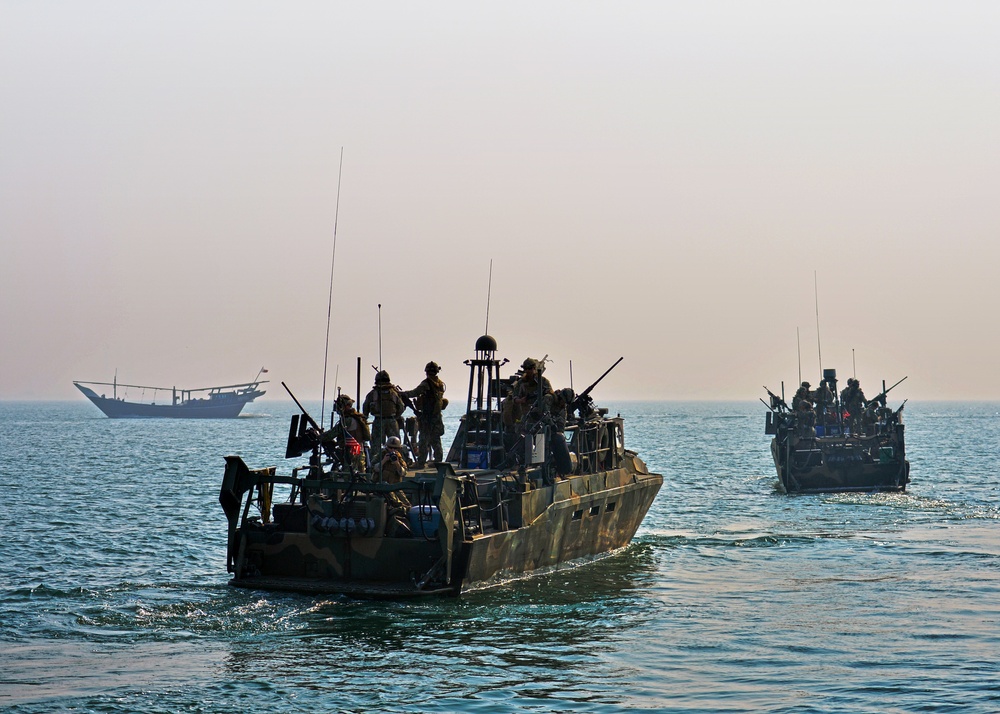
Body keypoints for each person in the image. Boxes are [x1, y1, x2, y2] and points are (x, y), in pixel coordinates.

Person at [403, 361, 447, 468]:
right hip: (436, 416)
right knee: (435, 440)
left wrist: (403, 394)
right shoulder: (440, 384)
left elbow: (414, 392)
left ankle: (421, 462)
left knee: (423, 440)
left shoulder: (426, 384)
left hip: (427, 417)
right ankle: (438, 461)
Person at [319, 394, 370, 471]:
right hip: (360, 450)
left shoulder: (347, 420)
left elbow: (332, 434)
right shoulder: (358, 418)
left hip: (351, 452)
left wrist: (319, 437)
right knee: (361, 474)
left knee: (348, 476)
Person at [363, 370, 406, 449]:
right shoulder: (394, 393)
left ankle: (376, 461)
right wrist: (395, 416)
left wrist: (364, 419)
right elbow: (401, 407)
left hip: (378, 421)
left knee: (376, 446)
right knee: (395, 444)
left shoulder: (372, 394)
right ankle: (398, 459)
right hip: (392, 421)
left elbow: (365, 408)